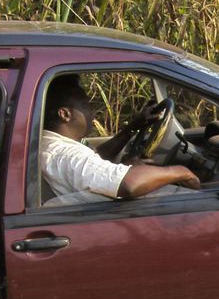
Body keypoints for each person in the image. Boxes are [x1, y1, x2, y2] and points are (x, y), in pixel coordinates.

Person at [39, 74, 200, 205]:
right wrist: (181, 172)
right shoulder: (67, 155)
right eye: (85, 106)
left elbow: (95, 158)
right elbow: (129, 185)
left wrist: (132, 128)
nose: (92, 112)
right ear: (65, 114)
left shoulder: (49, 144)